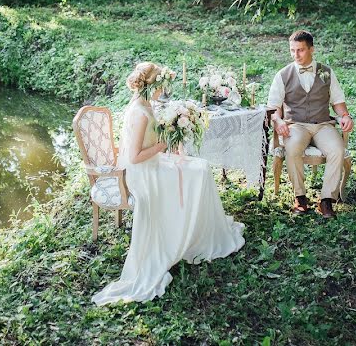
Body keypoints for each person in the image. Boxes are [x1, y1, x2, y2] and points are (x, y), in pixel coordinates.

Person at [92, 62, 245, 305]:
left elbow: (149, 141)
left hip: (154, 163)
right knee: (198, 172)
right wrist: (163, 145)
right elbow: (133, 157)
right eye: (161, 85)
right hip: (144, 173)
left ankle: (200, 230)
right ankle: (191, 233)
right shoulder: (140, 113)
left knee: (201, 167)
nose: (164, 90)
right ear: (153, 84)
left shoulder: (144, 104)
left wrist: (169, 135)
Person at [267, 30, 354, 217]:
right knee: (292, 149)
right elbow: (274, 107)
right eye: (292, 50)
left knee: (337, 149)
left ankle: (326, 200)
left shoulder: (326, 73)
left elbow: (338, 102)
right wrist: (279, 120)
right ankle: (300, 197)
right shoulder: (283, 75)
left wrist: (345, 116)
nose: (295, 55)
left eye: (300, 50)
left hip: (322, 124)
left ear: (311, 49)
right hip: (296, 125)